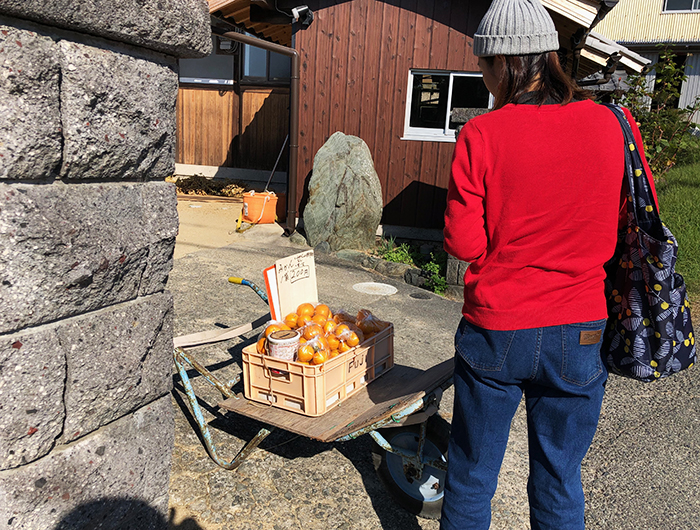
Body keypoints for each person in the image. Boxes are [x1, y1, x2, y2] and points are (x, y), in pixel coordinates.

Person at [440, 1, 658, 529]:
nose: (485, 80)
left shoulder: (482, 135)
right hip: (580, 326)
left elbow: (464, 244)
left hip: (498, 326)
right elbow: (633, 216)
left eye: (486, 66)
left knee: (471, 476)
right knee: (560, 478)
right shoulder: (613, 124)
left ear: (507, 64)